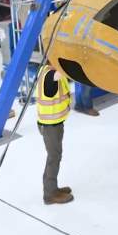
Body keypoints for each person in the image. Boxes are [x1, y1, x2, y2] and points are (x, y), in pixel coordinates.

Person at [36, 65, 74, 205]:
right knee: (54, 157)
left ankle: (53, 188)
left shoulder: (44, 69)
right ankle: (50, 194)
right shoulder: (52, 74)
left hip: (53, 123)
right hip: (50, 125)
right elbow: (65, 71)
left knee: (54, 156)